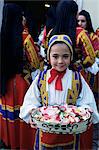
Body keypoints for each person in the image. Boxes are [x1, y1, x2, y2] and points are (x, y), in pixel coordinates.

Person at [19, 34, 99, 150]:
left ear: (71, 57)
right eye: (55, 56)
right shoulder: (41, 78)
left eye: (65, 56)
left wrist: (85, 111)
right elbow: (31, 101)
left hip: (71, 135)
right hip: (45, 135)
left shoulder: (76, 78)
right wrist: (32, 112)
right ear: (48, 57)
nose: (60, 61)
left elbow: (87, 102)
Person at [0, 3, 36, 149]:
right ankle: (22, 143)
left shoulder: (2, 37)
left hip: (4, 82)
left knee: (8, 113)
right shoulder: (25, 37)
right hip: (20, 82)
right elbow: (35, 63)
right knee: (22, 113)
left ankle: (9, 142)